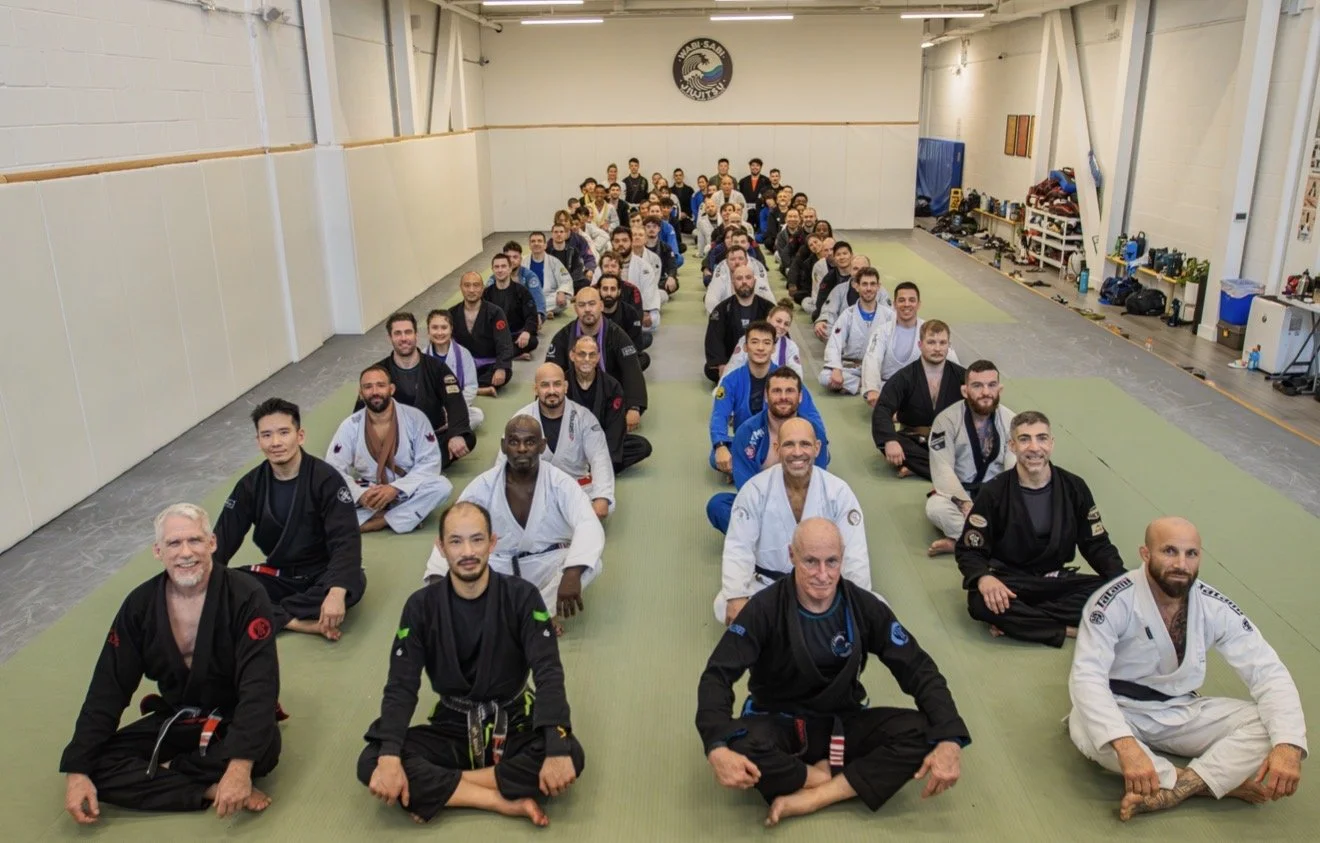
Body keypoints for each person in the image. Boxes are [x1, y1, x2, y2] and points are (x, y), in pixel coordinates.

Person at [696, 519, 971, 828]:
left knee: (926, 732)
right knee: (737, 743)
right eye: (810, 562)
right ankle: (820, 775)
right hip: (778, 722)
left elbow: (918, 668)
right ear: (792, 556)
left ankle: (817, 794)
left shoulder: (864, 607)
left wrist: (949, 738)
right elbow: (717, 675)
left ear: (843, 556)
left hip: (842, 722)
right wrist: (716, 747)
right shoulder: (764, 609)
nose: (823, 575)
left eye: (832, 562)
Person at [358, 502, 585, 827]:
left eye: (477, 540)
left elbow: (548, 671)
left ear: (492, 543)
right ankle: (497, 799)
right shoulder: (421, 607)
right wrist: (391, 755)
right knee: (371, 760)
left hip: (515, 720)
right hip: (452, 726)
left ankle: (445, 788)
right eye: (456, 541)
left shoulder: (522, 596)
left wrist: (556, 747)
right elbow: (401, 685)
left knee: (570, 754)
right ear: (441, 547)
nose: (467, 551)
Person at [1068, 516, 1307, 821]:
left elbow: (1268, 671)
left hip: (1182, 710)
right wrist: (1125, 744)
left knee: (1269, 726)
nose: (1181, 563)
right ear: (1145, 554)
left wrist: (1288, 745)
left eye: (1190, 554)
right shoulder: (1112, 602)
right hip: (1121, 708)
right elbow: (1087, 678)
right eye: (1169, 551)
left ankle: (1174, 787)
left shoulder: (1213, 606)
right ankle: (1210, 782)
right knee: (1087, 730)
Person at [60, 504, 281, 822]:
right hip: (180, 718)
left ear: (212, 544)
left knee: (264, 749)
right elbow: (109, 686)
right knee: (96, 767)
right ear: (158, 551)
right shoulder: (140, 605)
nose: (186, 553)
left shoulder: (246, 595)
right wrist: (78, 768)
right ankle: (206, 788)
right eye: (174, 544)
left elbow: (260, 686)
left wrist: (240, 766)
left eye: (195, 541)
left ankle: (175, 771)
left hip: (234, 717)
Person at [956, 410, 1126, 647]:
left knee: (1108, 592)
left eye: (1041, 438)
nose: (1034, 447)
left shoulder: (1074, 487)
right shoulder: (993, 492)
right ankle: (1066, 629)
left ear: (1052, 443)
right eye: (1025, 439)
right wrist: (984, 578)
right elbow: (970, 549)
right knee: (979, 600)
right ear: (1012, 446)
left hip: (1055, 580)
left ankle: (1021, 620)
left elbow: (1096, 543)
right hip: (1011, 580)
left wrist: (1121, 582)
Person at [426, 416, 605, 630]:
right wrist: (439, 580)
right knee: (456, 560)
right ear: (503, 446)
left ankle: (539, 613)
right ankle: (516, 617)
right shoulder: (483, 485)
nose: (521, 448)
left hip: (545, 565)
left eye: (529, 442)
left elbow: (588, 523)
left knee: (590, 564)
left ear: (542, 446)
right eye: (514, 442)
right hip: (497, 567)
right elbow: (452, 530)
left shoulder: (560, 483)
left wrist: (572, 572)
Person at [213, 398, 365, 641]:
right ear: (258, 441)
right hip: (279, 575)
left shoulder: (326, 479)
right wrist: (202, 581)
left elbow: (345, 539)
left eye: (284, 432)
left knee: (353, 581)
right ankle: (299, 623)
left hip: (322, 573)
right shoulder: (250, 486)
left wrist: (336, 592)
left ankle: (263, 612)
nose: (275, 443)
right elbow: (222, 538)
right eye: (267, 435)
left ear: (300, 435)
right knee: (221, 585)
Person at [715, 419, 871, 624]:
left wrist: (854, 601)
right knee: (723, 605)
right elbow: (739, 547)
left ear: (817, 448)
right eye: (789, 444)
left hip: (823, 584)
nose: (797, 452)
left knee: (874, 606)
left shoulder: (838, 492)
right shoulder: (755, 490)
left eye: (805, 444)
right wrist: (736, 596)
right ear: (777, 448)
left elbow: (854, 551)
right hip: (768, 584)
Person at [328, 366, 452, 534]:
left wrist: (395, 489)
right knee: (322, 497)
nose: (375, 391)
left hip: (406, 490)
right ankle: (402, 517)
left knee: (442, 486)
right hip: (371, 493)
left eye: (380, 385)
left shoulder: (415, 418)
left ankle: (380, 521)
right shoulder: (350, 425)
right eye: (368, 387)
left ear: (391, 389)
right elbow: (333, 469)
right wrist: (360, 495)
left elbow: (430, 462)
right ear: (360, 392)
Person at [707, 367, 830, 533]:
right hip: (762, 508)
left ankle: (768, 545)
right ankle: (780, 544)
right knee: (718, 505)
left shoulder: (814, 433)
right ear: (766, 396)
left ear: (800, 397)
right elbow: (747, 490)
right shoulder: (747, 432)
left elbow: (818, 486)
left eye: (790, 391)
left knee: (837, 507)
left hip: (804, 508)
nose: (783, 397)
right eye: (777, 391)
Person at [924, 361, 1015, 557]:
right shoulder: (946, 420)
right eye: (977, 386)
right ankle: (993, 545)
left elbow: (1013, 471)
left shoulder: (1011, 421)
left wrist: (1007, 501)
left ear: (1000, 388)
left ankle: (962, 544)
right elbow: (942, 469)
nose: (985, 392)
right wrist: (965, 504)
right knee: (936, 508)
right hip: (960, 494)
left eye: (991, 385)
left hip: (995, 495)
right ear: (965, 391)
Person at [709, 322, 825, 475]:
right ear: (745, 347)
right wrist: (720, 445)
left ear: (773, 348)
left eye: (767, 342)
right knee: (716, 457)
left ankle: (749, 469)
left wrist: (820, 441)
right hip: (747, 442)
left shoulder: (788, 379)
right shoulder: (731, 381)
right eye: (754, 342)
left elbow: (811, 415)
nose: (761, 348)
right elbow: (719, 416)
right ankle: (771, 469)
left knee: (822, 454)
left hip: (784, 441)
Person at [365, 311, 474, 465]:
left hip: (433, 435)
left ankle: (408, 463)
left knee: (467, 439)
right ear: (390, 338)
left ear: (416, 335)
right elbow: (362, 410)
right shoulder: (378, 372)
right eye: (398, 333)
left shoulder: (437, 368)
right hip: (394, 439)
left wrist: (457, 434)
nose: (403, 338)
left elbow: (455, 401)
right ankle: (419, 463)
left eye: (408, 332)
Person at [511, 363, 615, 519]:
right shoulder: (520, 420)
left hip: (577, 487)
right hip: (536, 488)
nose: (552, 391)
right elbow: (505, 463)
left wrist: (601, 497)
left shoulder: (584, 417)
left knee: (604, 504)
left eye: (557, 384)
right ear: (535, 389)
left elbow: (600, 458)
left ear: (565, 387)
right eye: (545, 385)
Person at [871, 321, 965, 480]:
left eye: (942, 343)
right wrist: (890, 440)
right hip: (915, 440)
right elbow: (882, 408)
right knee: (893, 443)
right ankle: (950, 469)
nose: (937, 348)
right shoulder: (904, 377)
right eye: (931, 342)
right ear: (920, 344)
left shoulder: (961, 375)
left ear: (949, 345)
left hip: (950, 439)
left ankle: (917, 468)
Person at [545, 286, 648, 432]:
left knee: (637, 446)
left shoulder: (617, 335)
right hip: (575, 399)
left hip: (609, 400)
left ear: (601, 306)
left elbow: (632, 371)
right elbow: (549, 372)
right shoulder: (563, 337)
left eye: (592, 304)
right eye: (582, 305)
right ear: (575, 309)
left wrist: (634, 407)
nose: (587, 309)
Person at [566, 334, 652, 472]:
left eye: (592, 355)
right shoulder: (563, 384)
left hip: (602, 440)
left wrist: (603, 464)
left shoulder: (612, 386)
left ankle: (590, 468)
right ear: (572, 355)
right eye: (581, 354)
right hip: (571, 442)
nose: (586, 360)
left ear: (598, 357)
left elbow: (615, 429)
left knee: (641, 446)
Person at [861, 282, 931, 406]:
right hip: (887, 388)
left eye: (912, 300)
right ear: (894, 304)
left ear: (919, 304)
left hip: (919, 389)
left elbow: (948, 357)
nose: (907, 304)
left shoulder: (928, 330)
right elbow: (872, 358)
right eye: (902, 300)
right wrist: (872, 389)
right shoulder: (882, 331)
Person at [704, 263, 775, 382]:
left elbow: (780, 337)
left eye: (748, 278)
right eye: (739, 278)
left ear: (754, 281)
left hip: (761, 356)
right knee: (710, 370)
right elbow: (714, 338)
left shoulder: (768, 308)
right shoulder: (721, 309)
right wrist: (721, 364)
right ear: (733, 283)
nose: (744, 282)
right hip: (732, 359)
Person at [820, 267, 885, 395]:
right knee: (824, 377)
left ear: (878, 286)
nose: (868, 289)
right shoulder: (847, 314)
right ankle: (865, 385)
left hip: (878, 368)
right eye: (864, 284)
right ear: (856, 286)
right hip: (852, 368)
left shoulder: (888, 315)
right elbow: (835, 342)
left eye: (872, 284)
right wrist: (836, 368)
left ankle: (859, 385)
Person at [448, 272, 514, 395]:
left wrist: (501, 367)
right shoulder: (451, 313)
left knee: (505, 374)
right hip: (464, 364)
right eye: (467, 285)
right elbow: (445, 343)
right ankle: (478, 390)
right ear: (461, 288)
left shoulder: (495, 312)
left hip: (488, 364)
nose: (471, 290)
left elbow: (504, 342)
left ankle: (465, 388)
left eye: (476, 285)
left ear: (482, 288)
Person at [424, 309, 484, 430]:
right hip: (431, 409)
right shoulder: (422, 356)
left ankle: (440, 431)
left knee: (477, 416)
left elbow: (471, 386)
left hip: (456, 405)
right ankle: (451, 430)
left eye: (444, 327)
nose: (439, 332)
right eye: (434, 327)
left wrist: (452, 409)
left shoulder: (463, 354)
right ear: (428, 331)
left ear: (451, 329)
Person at [725, 301, 803, 378]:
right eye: (778, 321)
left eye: (786, 324)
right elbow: (732, 368)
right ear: (768, 319)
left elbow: (797, 376)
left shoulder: (791, 347)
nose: (782, 326)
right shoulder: (747, 339)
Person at [485, 254, 539, 359]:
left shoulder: (522, 291)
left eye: (503, 266)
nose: (500, 270)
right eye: (496, 267)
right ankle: (512, 355)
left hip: (515, 336)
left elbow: (532, 316)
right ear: (492, 270)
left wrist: (527, 332)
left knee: (533, 341)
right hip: (495, 336)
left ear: (510, 269)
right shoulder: (486, 293)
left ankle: (504, 355)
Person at [598, 272, 650, 370]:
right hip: (597, 357)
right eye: (605, 289)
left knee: (644, 358)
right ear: (599, 291)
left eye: (613, 289)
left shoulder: (630, 313)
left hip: (622, 356)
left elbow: (635, 346)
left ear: (619, 291)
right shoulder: (592, 311)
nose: (609, 293)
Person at [704, 246, 775, 315]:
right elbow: (710, 302)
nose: (737, 262)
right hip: (727, 316)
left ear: (747, 261)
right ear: (726, 262)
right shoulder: (720, 280)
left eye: (741, 258)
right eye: (732, 259)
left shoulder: (757, 280)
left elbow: (771, 302)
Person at [526, 232, 574, 318]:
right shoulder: (523, 262)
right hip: (529, 297)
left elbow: (566, 280)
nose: (536, 243)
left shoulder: (554, 262)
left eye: (539, 241)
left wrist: (561, 291)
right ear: (529, 245)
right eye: (533, 241)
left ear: (545, 245)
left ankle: (536, 312)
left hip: (548, 297)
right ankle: (544, 312)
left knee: (565, 301)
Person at [499, 240, 546, 319]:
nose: (511, 260)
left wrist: (539, 314)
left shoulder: (529, 276)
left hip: (524, 316)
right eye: (508, 257)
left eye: (515, 257)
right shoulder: (495, 277)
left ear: (520, 259)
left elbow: (538, 298)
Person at [547, 223, 587, 290]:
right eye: (556, 232)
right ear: (552, 234)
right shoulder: (547, 252)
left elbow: (578, 269)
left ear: (565, 234)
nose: (559, 234)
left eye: (561, 232)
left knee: (585, 282)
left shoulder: (573, 251)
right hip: (552, 283)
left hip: (570, 282)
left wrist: (567, 281)